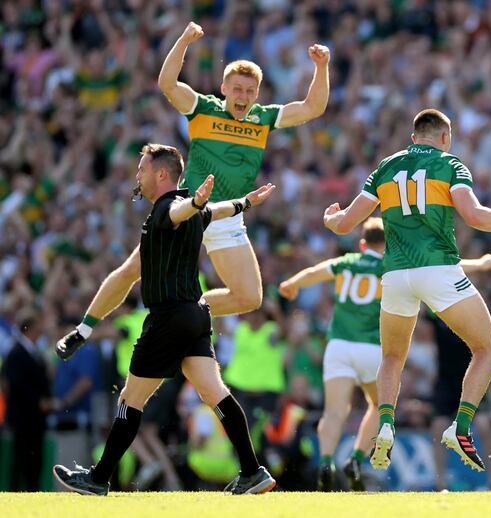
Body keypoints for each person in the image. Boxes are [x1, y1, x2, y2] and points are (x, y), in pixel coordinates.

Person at [52, 22, 330, 343]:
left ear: (257, 94)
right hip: (189, 209)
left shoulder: (263, 118)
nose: (243, 96)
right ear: (224, 88)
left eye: (250, 91)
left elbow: (313, 108)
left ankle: (180, 311)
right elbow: (167, 83)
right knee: (132, 270)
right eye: (237, 89)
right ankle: (83, 329)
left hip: (227, 215)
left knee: (250, 298)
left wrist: (321, 67)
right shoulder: (204, 109)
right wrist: (184, 40)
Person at [322, 109, 491, 472]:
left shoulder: (386, 166)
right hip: (438, 269)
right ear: (446, 137)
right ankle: (460, 427)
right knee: (486, 349)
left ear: (413, 138)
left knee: (392, 358)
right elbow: (473, 216)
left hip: (395, 275)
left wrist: (331, 219)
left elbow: (347, 222)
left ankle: (385, 425)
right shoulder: (450, 164)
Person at [52, 143, 277, 496]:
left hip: (168, 318)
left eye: (142, 169)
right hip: (198, 315)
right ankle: (252, 470)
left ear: (161, 174)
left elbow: (180, 210)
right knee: (215, 393)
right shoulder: (193, 214)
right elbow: (215, 211)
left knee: (130, 399)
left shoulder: (165, 209)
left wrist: (198, 202)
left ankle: (98, 478)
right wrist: (245, 203)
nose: (137, 176)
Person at [279, 218, 491, 490]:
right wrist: (480, 264)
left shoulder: (347, 262)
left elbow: (314, 271)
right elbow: (442, 266)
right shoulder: (393, 264)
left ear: (362, 243)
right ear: (389, 244)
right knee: (377, 405)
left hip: (338, 346)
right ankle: (357, 457)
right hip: (371, 347)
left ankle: (326, 461)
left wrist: (290, 284)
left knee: (334, 412)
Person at [0, 310, 53, 491]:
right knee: (21, 457)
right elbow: (16, 384)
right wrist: (38, 400)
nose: (41, 331)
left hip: (35, 418)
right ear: (28, 329)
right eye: (38, 327)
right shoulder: (16, 353)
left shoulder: (33, 352)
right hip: (23, 417)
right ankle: (16, 492)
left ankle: (32, 490)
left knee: (34, 458)